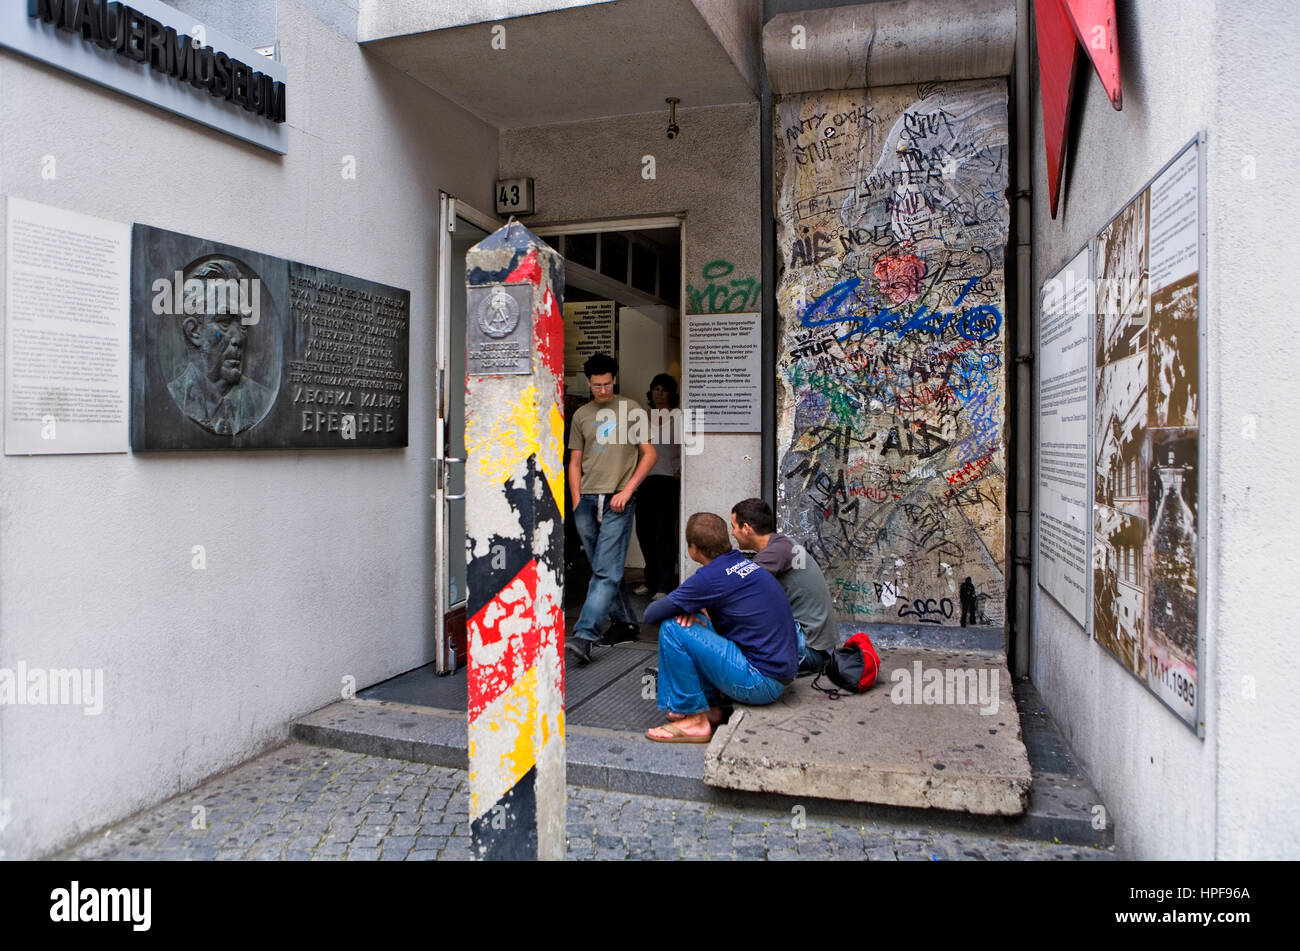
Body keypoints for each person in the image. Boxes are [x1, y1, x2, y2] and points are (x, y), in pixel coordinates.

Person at [642, 512, 798, 743]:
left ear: (693, 549)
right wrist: (691, 609)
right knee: (697, 621)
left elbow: (650, 615)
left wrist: (685, 607)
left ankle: (694, 719)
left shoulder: (709, 577)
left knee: (673, 627)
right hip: (780, 674)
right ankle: (712, 708)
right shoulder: (741, 563)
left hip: (761, 682)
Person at [566, 353, 657, 664]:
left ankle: (585, 634)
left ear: (614, 379)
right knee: (603, 567)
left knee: (605, 570)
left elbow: (649, 454)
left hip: (618, 498)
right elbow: (575, 462)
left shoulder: (631, 409)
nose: (602, 391)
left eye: (606, 384)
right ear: (588, 383)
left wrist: (628, 490)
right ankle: (625, 623)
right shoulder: (581, 415)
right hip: (587, 499)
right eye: (596, 386)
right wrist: (577, 501)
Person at [729, 498, 841, 673]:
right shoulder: (782, 544)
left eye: (734, 526)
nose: (732, 533)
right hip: (818, 645)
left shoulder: (776, 552)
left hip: (810, 649)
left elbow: (738, 592)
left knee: (729, 646)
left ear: (746, 529)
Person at [167, 259, 273, 436]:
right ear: (194, 331)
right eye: (224, 321)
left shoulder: (261, 399)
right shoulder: (173, 398)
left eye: (243, 326)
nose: (238, 338)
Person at [633, 373, 681, 599]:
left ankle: (664, 584)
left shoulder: (679, 417)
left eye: (664, 389)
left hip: (668, 480)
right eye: (656, 389)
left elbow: (688, 448)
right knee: (644, 532)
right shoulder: (642, 417)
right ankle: (650, 580)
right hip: (644, 480)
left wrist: (682, 469)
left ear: (672, 393)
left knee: (664, 533)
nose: (659, 393)